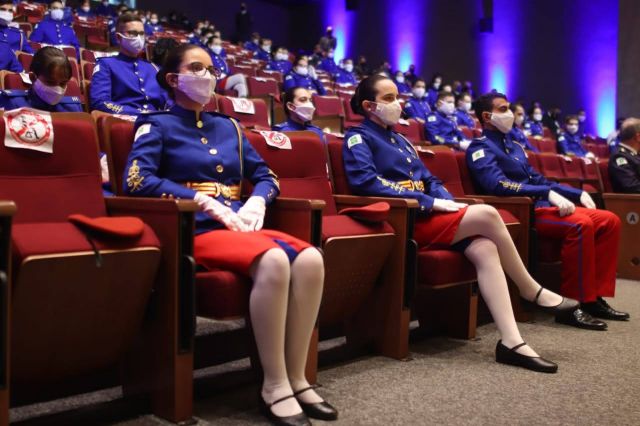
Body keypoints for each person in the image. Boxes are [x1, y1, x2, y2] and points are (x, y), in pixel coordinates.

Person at [124, 44, 337, 425]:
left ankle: (298, 377)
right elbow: (138, 180)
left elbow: (266, 176)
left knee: (311, 258)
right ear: (174, 79)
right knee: (273, 260)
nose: (207, 76)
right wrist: (201, 202)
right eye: (196, 68)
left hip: (238, 224)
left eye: (209, 69)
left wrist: (257, 201)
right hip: (194, 228)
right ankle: (274, 384)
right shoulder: (155, 124)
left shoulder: (229, 127)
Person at [343, 75, 579, 373]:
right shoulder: (358, 137)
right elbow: (365, 181)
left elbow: (429, 179)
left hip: (429, 215)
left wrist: (445, 200)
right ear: (368, 105)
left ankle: (511, 342)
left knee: (485, 248)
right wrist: (430, 203)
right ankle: (529, 289)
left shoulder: (401, 139)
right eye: (389, 99)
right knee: (489, 214)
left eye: (397, 97)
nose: (398, 104)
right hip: (405, 218)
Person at [466, 91, 629, 329]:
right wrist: (544, 194)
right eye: (503, 109)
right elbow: (497, 185)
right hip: (524, 211)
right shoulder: (480, 148)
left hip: (542, 206)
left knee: (609, 220)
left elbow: (539, 179)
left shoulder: (516, 148)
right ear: (487, 116)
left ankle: (594, 299)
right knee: (581, 224)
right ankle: (573, 305)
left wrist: (574, 193)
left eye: (509, 107)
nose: (509, 113)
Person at [90, 13, 168, 115]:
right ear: (118, 37)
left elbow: (167, 101)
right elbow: (100, 102)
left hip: (157, 123)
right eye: (133, 33)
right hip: (124, 121)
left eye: (141, 33)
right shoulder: (106, 64)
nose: (139, 38)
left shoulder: (153, 67)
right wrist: (138, 113)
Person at [0, 46, 81, 111]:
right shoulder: (12, 104)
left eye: (63, 83)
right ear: (32, 78)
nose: (58, 90)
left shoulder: (73, 109)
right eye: (50, 82)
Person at [609, 118, 640, 193]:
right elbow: (632, 186)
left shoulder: (634, 154)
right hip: (631, 202)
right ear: (638, 137)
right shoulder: (619, 156)